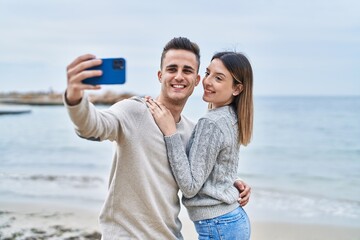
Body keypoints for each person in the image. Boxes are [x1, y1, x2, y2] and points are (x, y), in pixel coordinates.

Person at [64, 37, 251, 239]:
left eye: (187, 70)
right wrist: (75, 98)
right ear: (160, 75)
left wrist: (233, 181)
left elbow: (198, 173)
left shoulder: (192, 130)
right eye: (172, 69)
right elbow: (92, 127)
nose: (179, 76)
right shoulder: (133, 111)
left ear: (197, 80)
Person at [146, 51, 253, 240]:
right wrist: (230, 182)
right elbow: (219, 163)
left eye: (218, 78)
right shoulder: (230, 116)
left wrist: (170, 132)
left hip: (218, 225)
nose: (207, 81)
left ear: (237, 89)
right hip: (232, 221)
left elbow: (190, 186)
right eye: (207, 73)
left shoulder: (211, 122)